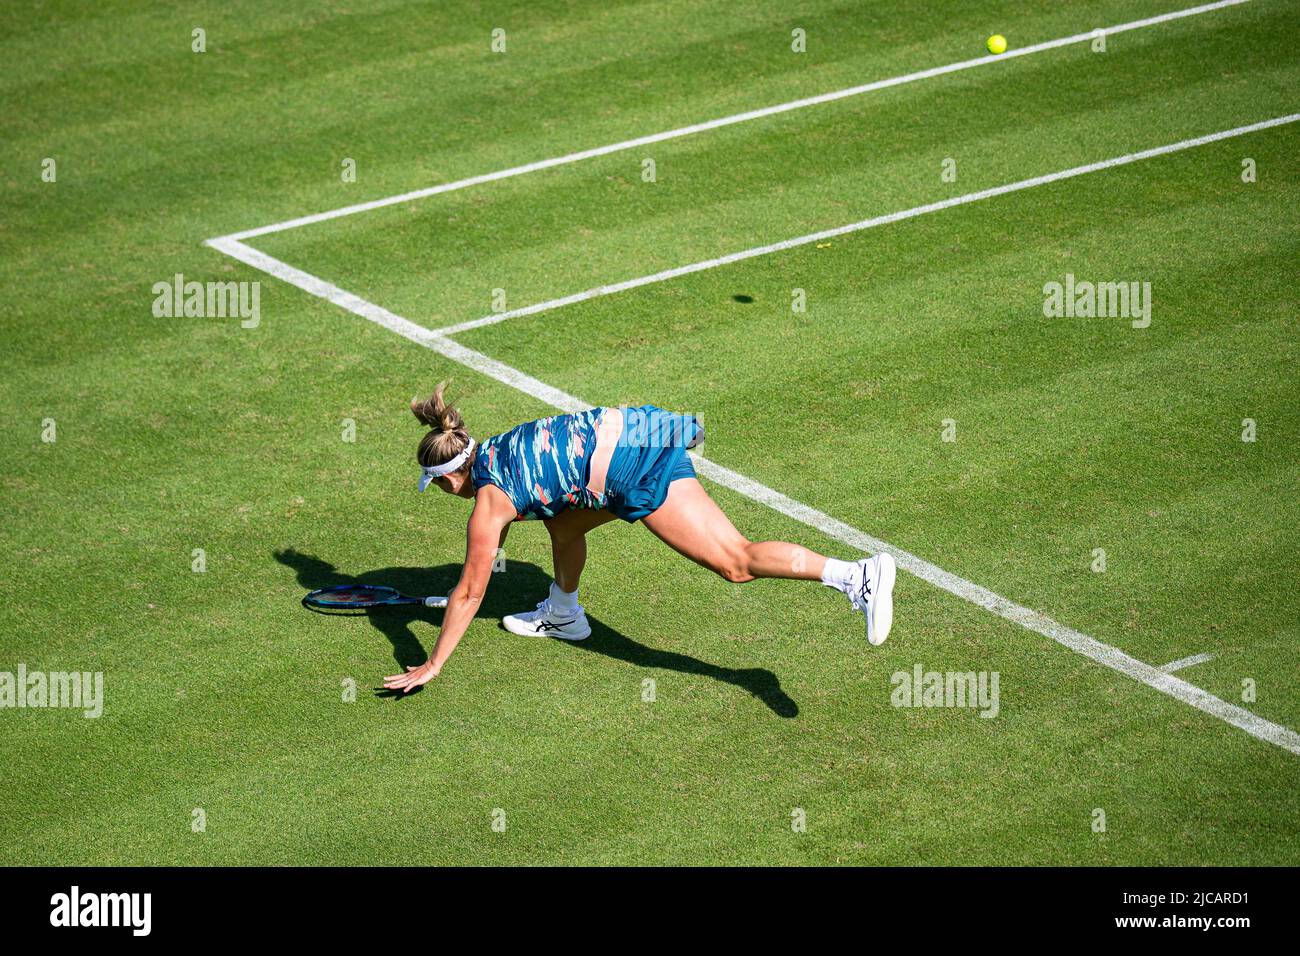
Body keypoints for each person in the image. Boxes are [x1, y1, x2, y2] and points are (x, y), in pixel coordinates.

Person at [383, 383, 896, 693]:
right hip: (643, 426)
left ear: (450, 478)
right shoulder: (499, 447)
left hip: (634, 464)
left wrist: (433, 663)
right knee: (561, 523)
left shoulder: (488, 505)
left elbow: (472, 591)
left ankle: (854, 576)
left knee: (735, 561)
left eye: (439, 486)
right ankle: (564, 614)